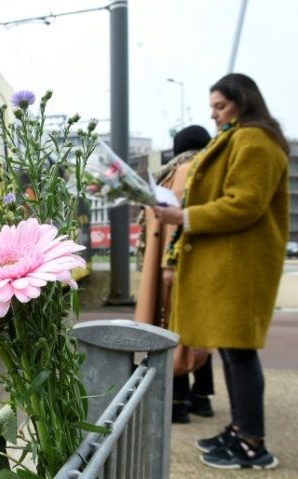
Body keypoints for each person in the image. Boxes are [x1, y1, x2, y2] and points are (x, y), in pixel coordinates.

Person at [154, 73, 289, 470]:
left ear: (243, 102)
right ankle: (240, 430)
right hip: (235, 265)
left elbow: (245, 204)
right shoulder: (243, 138)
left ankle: (252, 444)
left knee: (240, 354)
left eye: (220, 106)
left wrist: (185, 215)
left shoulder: (254, 140)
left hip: (241, 268)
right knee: (232, 352)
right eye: (212, 107)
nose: (213, 115)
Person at [135, 125, 215, 425]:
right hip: (194, 262)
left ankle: (178, 401)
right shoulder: (204, 169)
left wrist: (167, 264)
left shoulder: (176, 172)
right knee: (199, 330)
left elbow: (172, 225)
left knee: (172, 327)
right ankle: (202, 397)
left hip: (173, 265)